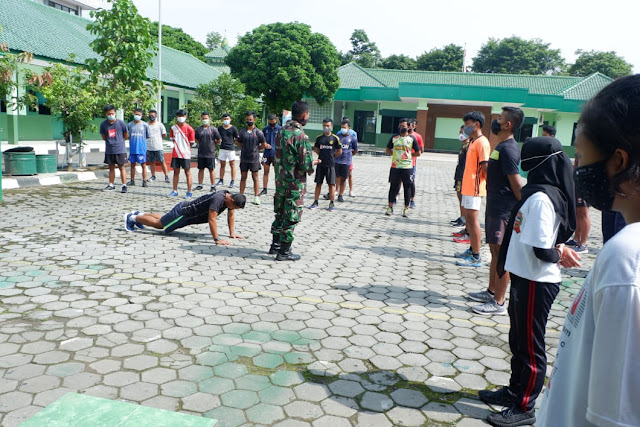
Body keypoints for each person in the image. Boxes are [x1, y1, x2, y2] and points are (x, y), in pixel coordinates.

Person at [537, 75, 640, 427]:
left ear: (618, 161)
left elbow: (613, 419)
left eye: (580, 155)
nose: (575, 167)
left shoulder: (627, 259)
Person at [480, 137, 581, 427]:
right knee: (518, 340)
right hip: (525, 276)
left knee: (530, 345)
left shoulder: (539, 199)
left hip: (537, 280)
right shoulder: (537, 194)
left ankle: (525, 405)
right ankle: (514, 390)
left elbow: (542, 250)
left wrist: (560, 252)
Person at [468, 107, 524, 316]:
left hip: (504, 211)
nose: (496, 121)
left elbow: (517, 186)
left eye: (500, 118)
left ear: (507, 125)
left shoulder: (508, 149)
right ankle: (491, 291)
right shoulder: (501, 146)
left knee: (502, 256)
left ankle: (499, 302)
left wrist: (524, 210)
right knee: (495, 253)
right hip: (495, 208)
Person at [269, 100, 318, 261]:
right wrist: (313, 163)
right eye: (308, 115)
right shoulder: (301, 136)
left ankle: (275, 245)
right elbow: (305, 165)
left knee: (280, 213)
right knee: (291, 215)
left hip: (280, 181)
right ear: (304, 115)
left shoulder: (281, 131)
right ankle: (284, 251)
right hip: (294, 183)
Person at [124, 191, 246, 245]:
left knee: (164, 218)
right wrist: (216, 239)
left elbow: (231, 214)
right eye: (234, 207)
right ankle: (132, 219)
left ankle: (139, 214)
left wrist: (232, 233)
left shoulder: (227, 198)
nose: (233, 209)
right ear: (232, 200)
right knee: (160, 224)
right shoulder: (218, 199)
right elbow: (212, 219)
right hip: (184, 214)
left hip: (183, 212)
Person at [543, 125, 592, 254]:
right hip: (577, 181)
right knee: (577, 212)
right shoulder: (581, 148)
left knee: (583, 212)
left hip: (585, 182)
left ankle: (584, 243)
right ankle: (576, 239)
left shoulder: (591, 148)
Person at [454, 111, 491, 267]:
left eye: (468, 125)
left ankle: (476, 256)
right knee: (469, 220)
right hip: (468, 187)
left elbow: (485, 168)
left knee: (474, 222)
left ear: (476, 124)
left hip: (475, 188)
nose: (465, 128)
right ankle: (471, 249)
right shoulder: (473, 141)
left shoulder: (482, 142)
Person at [385, 118, 421, 218]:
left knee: (407, 187)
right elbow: (387, 149)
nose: (402, 128)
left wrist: (409, 156)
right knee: (393, 187)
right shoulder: (394, 138)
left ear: (408, 127)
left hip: (407, 166)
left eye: (404, 126)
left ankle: (406, 208)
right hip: (395, 166)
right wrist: (395, 155)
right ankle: (390, 207)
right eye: (400, 126)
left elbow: (418, 152)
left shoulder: (412, 139)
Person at [309, 118, 342, 211]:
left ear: (331, 126)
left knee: (331, 184)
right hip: (320, 164)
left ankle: (331, 203)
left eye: (328, 125)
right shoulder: (319, 138)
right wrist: (321, 156)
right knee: (318, 183)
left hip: (331, 165)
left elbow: (340, 151)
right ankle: (315, 202)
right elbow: (316, 149)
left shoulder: (335, 138)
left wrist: (332, 156)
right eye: (324, 125)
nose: (326, 127)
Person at [237, 111, 266, 205]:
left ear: (254, 119)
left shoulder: (258, 132)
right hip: (244, 158)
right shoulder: (242, 132)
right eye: (247, 119)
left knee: (255, 177)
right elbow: (238, 142)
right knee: (243, 177)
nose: (249, 121)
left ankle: (256, 197)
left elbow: (263, 144)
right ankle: (240, 196)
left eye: (250, 119)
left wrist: (256, 150)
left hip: (254, 159)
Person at [100, 105, 129, 193]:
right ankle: (111, 184)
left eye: (112, 113)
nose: (111, 115)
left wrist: (119, 142)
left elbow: (126, 135)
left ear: (115, 113)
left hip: (120, 149)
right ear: (106, 114)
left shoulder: (121, 123)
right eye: (109, 114)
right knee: (111, 167)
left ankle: (124, 185)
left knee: (122, 167)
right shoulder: (104, 124)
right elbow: (104, 136)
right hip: (109, 149)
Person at [168, 109, 195, 199]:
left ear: (185, 117)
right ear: (176, 117)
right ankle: (174, 190)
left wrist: (185, 148)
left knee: (187, 172)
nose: (181, 118)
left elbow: (191, 142)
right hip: (176, 154)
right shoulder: (173, 128)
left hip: (186, 154)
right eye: (179, 116)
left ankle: (189, 191)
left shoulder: (190, 129)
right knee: (176, 172)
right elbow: (173, 139)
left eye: (182, 116)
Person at [194, 112, 221, 193]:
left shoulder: (213, 129)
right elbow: (196, 139)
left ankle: (213, 186)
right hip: (201, 153)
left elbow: (219, 139)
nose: (204, 120)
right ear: (201, 119)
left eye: (206, 118)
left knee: (211, 170)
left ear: (209, 119)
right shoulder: (198, 129)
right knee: (200, 169)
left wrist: (213, 144)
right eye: (203, 118)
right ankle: (200, 185)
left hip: (210, 153)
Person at [333, 120, 358, 203]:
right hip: (337, 160)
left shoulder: (353, 138)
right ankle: (334, 191)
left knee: (344, 179)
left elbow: (355, 150)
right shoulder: (337, 136)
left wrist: (349, 156)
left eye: (345, 127)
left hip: (346, 162)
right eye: (342, 127)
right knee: (336, 177)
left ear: (349, 128)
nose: (343, 129)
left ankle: (341, 195)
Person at [126, 108, 151, 188]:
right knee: (132, 165)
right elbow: (127, 135)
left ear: (141, 115)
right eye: (136, 114)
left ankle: (144, 181)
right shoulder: (129, 125)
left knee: (143, 165)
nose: (137, 116)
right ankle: (132, 181)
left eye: (139, 115)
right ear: (133, 114)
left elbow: (147, 136)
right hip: (133, 149)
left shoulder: (145, 125)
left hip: (141, 149)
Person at [451, 125, 469, 227]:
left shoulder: (468, 146)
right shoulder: (463, 146)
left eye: (463, 133)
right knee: (459, 197)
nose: (461, 134)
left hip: (463, 176)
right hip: (459, 175)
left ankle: (464, 219)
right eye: (460, 132)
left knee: (463, 198)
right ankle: (462, 216)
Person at [146, 109, 169, 183]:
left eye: (153, 115)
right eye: (150, 115)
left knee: (162, 161)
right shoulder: (146, 125)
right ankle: (153, 176)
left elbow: (164, 134)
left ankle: (166, 176)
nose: (151, 116)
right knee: (151, 162)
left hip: (158, 147)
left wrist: (158, 140)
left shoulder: (160, 125)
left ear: (156, 116)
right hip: (149, 147)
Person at [216, 113, 239, 188]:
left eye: (227, 119)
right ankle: (221, 180)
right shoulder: (220, 128)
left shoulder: (233, 128)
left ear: (230, 119)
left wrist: (233, 143)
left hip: (230, 149)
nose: (226, 120)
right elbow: (217, 137)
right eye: (225, 119)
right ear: (222, 120)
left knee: (232, 165)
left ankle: (232, 181)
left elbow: (236, 138)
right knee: (222, 165)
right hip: (222, 148)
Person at [260, 114, 280, 196]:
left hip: (276, 154)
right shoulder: (265, 129)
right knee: (265, 171)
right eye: (270, 121)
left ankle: (278, 189)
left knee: (277, 173)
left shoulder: (280, 129)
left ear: (276, 120)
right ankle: (264, 189)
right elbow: (261, 139)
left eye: (273, 121)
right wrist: (264, 144)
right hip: (267, 153)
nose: (272, 123)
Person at [408, 118, 424, 208]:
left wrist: (410, 155)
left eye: (413, 124)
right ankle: (394, 198)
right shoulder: (399, 136)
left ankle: (412, 200)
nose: (412, 126)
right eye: (410, 124)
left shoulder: (417, 136)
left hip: (411, 163)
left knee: (411, 182)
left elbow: (421, 150)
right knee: (398, 182)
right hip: (399, 163)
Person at [342, 117, 358, 198]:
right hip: (339, 158)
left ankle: (351, 190)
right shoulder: (339, 133)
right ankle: (337, 190)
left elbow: (355, 148)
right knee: (338, 176)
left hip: (348, 158)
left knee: (350, 174)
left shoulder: (353, 134)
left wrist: (350, 155)